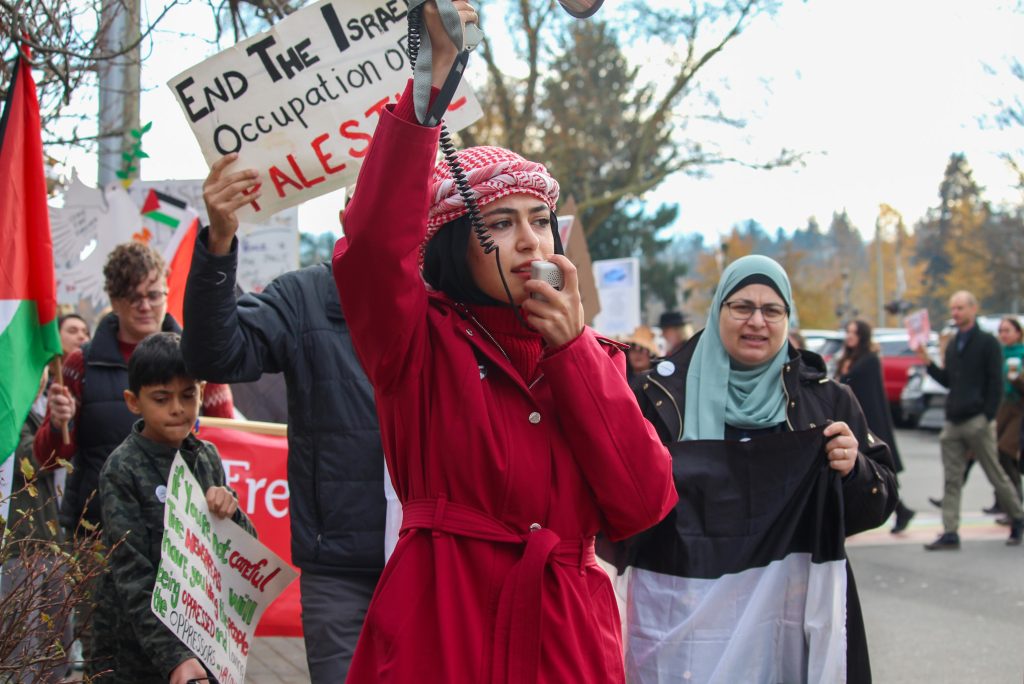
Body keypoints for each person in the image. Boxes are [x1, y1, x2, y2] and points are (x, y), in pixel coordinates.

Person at [326, 3, 678, 681]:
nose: (528, 241)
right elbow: (372, 249)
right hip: (442, 628)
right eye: (503, 222)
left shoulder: (593, 356)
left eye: (541, 222)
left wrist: (573, 351)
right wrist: (428, 93)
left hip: (565, 638)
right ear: (461, 241)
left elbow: (643, 503)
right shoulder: (418, 341)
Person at [623, 255, 898, 683]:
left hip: (788, 616)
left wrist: (855, 469)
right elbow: (618, 502)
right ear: (719, 311)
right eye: (742, 307)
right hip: (685, 619)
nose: (757, 322)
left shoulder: (827, 401)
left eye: (772, 310)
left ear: (788, 317)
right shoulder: (657, 396)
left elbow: (877, 504)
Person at [181, 156, 387, 682]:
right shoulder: (303, 298)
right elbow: (215, 356)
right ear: (346, 215)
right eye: (372, 201)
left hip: (433, 564)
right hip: (340, 575)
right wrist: (219, 245)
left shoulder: (448, 301)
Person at [32, 241, 234, 672]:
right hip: (103, 540)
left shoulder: (201, 359)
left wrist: (226, 504)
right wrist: (57, 424)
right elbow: (52, 458)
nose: (144, 305)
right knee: (116, 648)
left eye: (153, 294)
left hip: (183, 551)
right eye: (132, 297)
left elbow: (229, 445)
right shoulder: (80, 364)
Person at [94, 332, 254, 683]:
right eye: (162, 399)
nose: (178, 408)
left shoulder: (207, 457)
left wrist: (232, 513)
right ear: (133, 402)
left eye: (188, 395)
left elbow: (240, 556)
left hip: (203, 643)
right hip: (134, 655)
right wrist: (174, 657)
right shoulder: (123, 469)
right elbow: (132, 575)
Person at [917, 291, 1024, 549]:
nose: (956, 313)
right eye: (953, 308)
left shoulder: (987, 343)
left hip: (978, 418)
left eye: (960, 308)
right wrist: (927, 363)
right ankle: (950, 531)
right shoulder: (954, 344)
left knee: (995, 473)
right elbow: (949, 381)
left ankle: (1018, 518)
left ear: (973, 309)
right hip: (954, 419)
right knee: (952, 478)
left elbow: (996, 383)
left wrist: (987, 415)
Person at [0, 369, 73, 683]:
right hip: (17, 550)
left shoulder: (31, 410)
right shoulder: (9, 412)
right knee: (21, 660)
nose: (41, 373)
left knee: (55, 657)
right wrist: (54, 428)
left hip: (47, 544)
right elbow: (32, 461)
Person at [836, 319, 916, 533]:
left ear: (862, 336)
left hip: (871, 421)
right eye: (848, 332)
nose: (849, 336)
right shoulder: (848, 358)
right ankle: (902, 511)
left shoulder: (869, 360)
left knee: (878, 469)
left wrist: (844, 373)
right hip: (856, 420)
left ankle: (900, 510)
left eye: (854, 332)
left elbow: (856, 386)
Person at [994, 316, 1024, 516]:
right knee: (1000, 454)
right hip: (1002, 408)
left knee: (1006, 451)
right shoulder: (998, 354)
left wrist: (1016, 379)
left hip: (1020, 409)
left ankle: (1015, 506)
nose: (1004, 334)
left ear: (1018, 333)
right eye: (1001, 331)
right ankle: (1006, 504)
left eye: (1008, 330)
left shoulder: (1021, 354)